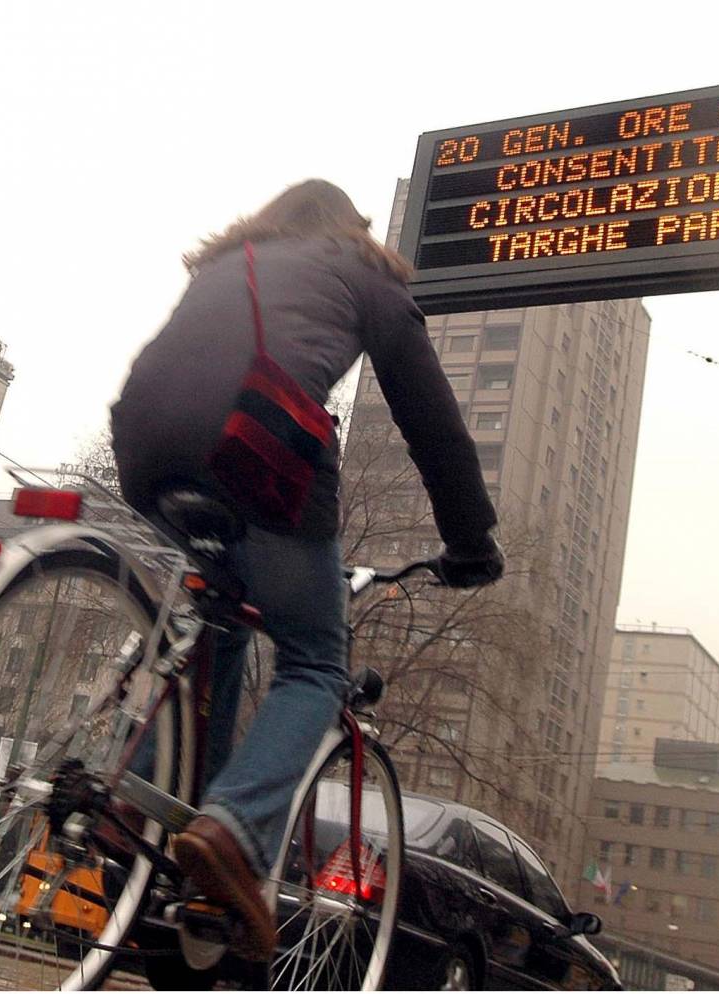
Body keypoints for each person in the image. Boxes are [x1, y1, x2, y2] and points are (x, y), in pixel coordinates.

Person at [110, 180, 503, 959]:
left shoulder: (226, 260)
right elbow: (430, 418)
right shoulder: (364, 269)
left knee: (219, 624)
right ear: (350, 228)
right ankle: (234, 832)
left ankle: (141, 810)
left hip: (143, 446)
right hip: (255, 449)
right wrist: (470, 540)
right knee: (316, 660)